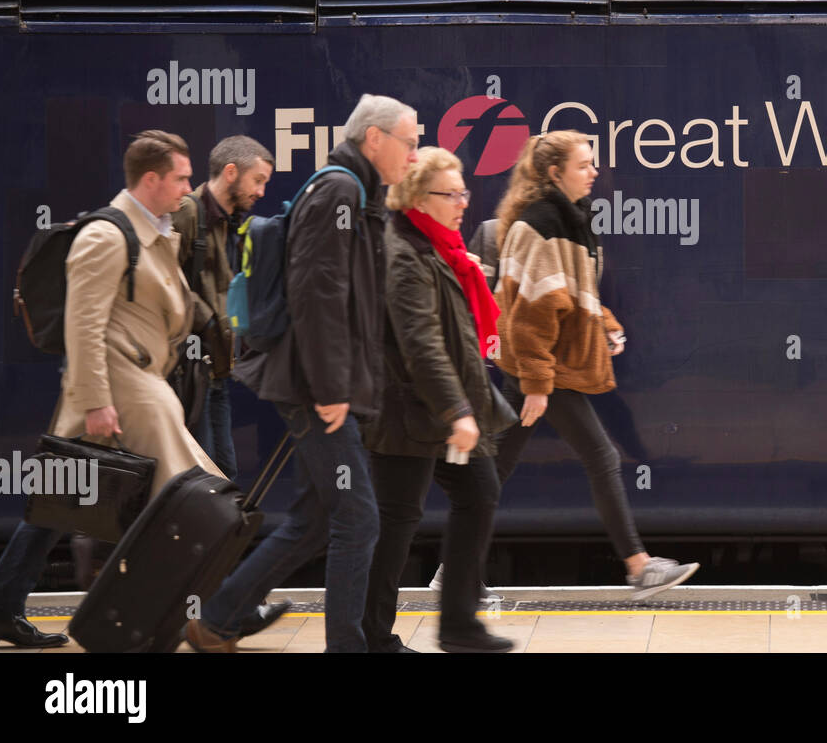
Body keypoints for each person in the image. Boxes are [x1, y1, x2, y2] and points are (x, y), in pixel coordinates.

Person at [184, 95, 419, 653]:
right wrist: (331, 385)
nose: (415, 153)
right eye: (409, 142)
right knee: (359, 518)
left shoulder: (356, 193)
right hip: (315, 387)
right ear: (375, 140)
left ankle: (219, 618)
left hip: (324, 384)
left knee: (315, 520)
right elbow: (318, 294)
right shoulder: (338, 191)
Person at [0, 131, 224, 648]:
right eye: (182, 178)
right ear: (151, 179)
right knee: (183, 496)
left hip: (131, 386)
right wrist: (96, 401)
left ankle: (3, 606)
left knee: (59, 505)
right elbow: (83, 324)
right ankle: (219, 610)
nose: (189, 189)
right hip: (112, 393)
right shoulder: (108, 235)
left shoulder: (155, 230)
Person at [489, 131, 699, 599]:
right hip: (543, 370)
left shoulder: (570, 219)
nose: (594, 172)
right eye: (583, 164)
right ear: (553, 172)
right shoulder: (542, 223)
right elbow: (529, 313)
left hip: (541, 368)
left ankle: (453, 575)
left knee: (494, 468)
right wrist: (539, 384)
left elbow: (572, 293)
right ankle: (639, 567)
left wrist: (604, 322)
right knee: (601, 457)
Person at [362, 147, 517, 653]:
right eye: (449, 194)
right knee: (397, 521)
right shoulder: (405, 255)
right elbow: (421, 343)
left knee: (479, 494)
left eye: (463, 192)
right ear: (416, 196)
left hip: (440, 410)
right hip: (410, 412)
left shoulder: (439, 249)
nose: (462, 203)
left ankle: (458, 625)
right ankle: (373, 636)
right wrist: (459, 411)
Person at [172, 134, 275, 481]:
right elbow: (166, 283)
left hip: (216, 372)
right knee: (205, 479)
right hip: (188, 374)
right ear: (231, 172)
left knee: (224, 476)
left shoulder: (233, 223)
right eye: (257, 180)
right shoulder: (189, 212)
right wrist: (211, 321)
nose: (261, 191)